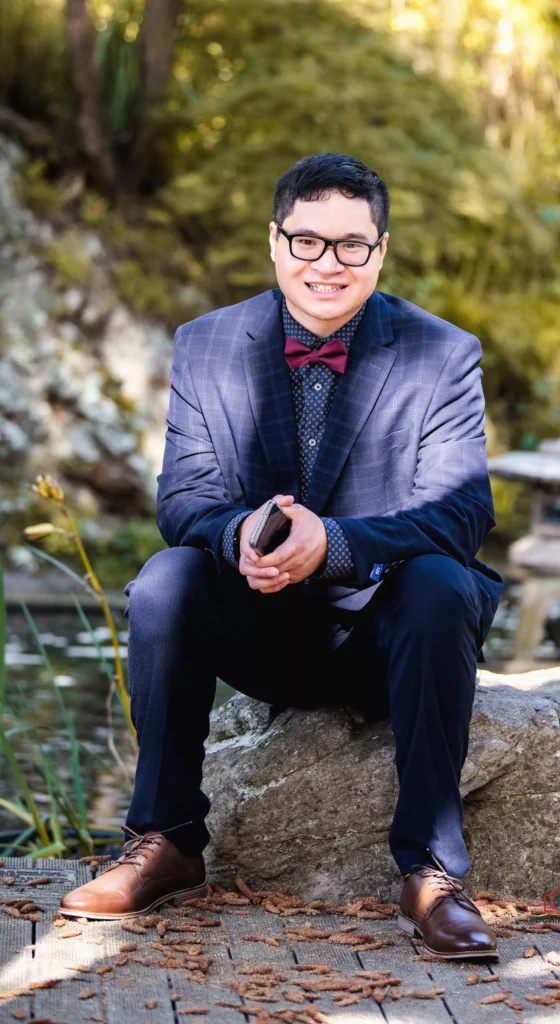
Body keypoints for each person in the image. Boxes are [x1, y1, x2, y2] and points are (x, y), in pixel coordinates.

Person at [60, 153, 504, 960]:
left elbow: (462, 512)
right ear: (274, 242)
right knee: (166, 580)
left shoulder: (442, 354)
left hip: (387, 634)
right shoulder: (206, 344)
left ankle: (431, 872)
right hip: (261, 628)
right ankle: (166, 839)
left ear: (380, 250)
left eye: (350, 245)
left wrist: (332, 545)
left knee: (443, 581)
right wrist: (241, 534)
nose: (326, 264)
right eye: (306, 241)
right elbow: (183, 500)